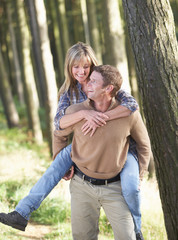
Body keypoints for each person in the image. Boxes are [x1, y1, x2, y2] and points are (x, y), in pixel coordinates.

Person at [0, 42, 142, 239]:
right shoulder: (68, 92)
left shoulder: (105, 82)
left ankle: (137, 229)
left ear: (92, 65)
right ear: (69, 67)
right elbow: (59, 125)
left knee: (131, 186)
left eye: (86, 66)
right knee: (53, 171)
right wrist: (84, 114)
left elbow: (132, 105)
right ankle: (22, 213)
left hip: (118, 150)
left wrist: (101, 117)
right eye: (76, 67)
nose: (81, 72)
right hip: (84, 147)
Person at [53, 64, 151, 240]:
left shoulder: (128, 114)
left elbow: (144, 145)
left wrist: (140, 175)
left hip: (115, 188)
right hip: (81, 186)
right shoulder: (77, 111)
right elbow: (59, 133)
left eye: (93, 81)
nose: (87, 84)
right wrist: (62, 163)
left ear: (108, 88)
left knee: (127, 237)